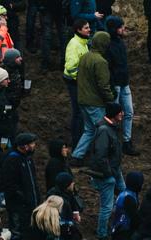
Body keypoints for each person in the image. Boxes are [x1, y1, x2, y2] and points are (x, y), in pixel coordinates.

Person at [71, 30, 113, 164]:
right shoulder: (101, 62)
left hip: (82, 99)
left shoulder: (85, 57)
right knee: (101, 131)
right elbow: (103, 85)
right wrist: (110, 99)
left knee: (89, 130)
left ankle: (77, 156)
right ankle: (98, 159)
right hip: (95, 102)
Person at [86, 101, 123, 240]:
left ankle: (118, 223)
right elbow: (100, 156)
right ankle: (102, 234)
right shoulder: (104, 130)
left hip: (114, 170)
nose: (122, 114)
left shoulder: (110, 127)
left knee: (124, 195)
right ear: (114, 114)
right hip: (107, 174)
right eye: (120, 112)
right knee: (107, 206)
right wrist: (109, 174)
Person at [105, 16, 137, 156]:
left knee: (129, 112)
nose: (123, 29)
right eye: (120, 27)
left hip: (124, 83)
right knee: (114, 115)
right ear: (114, 29)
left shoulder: (120, 43)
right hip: (116, 85)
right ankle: (114, 143)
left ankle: (126, 142)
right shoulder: (109, 45)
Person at [1, 132, 41, 234]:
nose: (34, 145)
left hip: (31, 205)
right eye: (32, 143)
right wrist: (24, 198)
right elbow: (10, 185)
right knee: (18, 233)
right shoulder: (12, 160)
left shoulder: (28, 159)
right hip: (18, 207)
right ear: (25, 146)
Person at [63, 19, 90, 147]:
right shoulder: (74, 44)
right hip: (74, 82)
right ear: (79, 30)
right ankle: (76, 140)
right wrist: (82, 79)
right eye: (86, 28)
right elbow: (71, 67)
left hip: (78, 81)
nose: (89, 29)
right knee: (78, 112)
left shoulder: (83, 42)